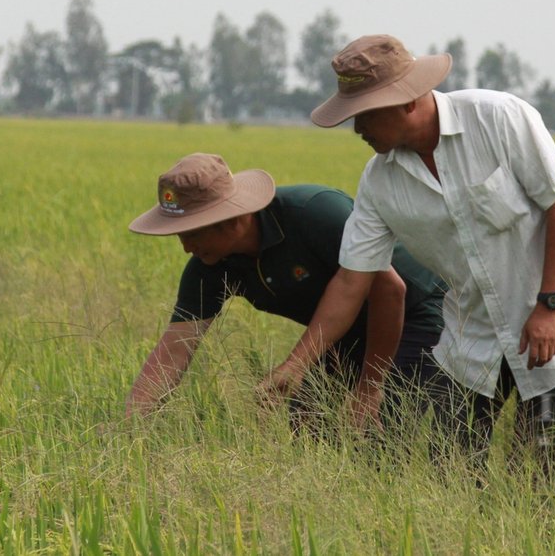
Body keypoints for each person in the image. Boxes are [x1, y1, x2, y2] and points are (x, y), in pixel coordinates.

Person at [269, 34, 555, 463]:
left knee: (544, 468)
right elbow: (353, 280)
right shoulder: (379, 182)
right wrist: (295, 366)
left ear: (407, 102)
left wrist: (550, 304)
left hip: (551, 324)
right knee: (448, 465)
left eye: (365, 115)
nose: (357, 129)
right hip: (471, 338)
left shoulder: (498, 117)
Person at [125, 152, 445, 427]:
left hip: (419, 312)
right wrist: (129, 427)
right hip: (349, 329)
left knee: (383, 427)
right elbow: (173, 352)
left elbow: (391, 292)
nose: (185, 248)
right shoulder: (210, 266)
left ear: (231, 219)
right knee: (304, 423)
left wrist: (369, 386)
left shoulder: (313, 213)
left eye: (191, 234)